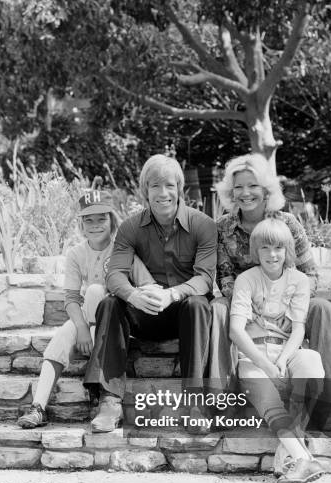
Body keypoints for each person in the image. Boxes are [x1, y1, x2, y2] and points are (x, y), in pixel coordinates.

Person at [209, 153, 331, 433]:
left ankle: (330, 403)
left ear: (266, 189)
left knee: (322, 307)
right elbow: (225, 277)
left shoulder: (288, 222)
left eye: (253, 185)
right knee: (218, 307)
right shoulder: (223, 227)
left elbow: (310, 274)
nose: (245, 193)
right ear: (230, 191)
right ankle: (224, 398)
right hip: (245, 303)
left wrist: (287, 306)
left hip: (288, 303)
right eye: (238, 187)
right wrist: (251, 307)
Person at [84, 154, 217, 433]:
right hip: (143, 312)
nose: (163, 193)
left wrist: (173, 295)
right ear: (145, 191)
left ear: (180, 188)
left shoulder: (202, 224)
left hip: (182, 314)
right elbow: (115, 274)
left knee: (198, 305)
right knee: (110, 304)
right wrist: (133, 295)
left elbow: (205, 278)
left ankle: (195, 403)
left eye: (169, 185)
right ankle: (109, 401)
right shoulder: (131, 227)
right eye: (155, 186)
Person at [18, 190, 154, 429]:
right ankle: (38, 408)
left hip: (112, 327)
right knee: (61, 338)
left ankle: (105, 397)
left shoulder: (123, 250)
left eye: (101, 219)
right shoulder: (76, 253)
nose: (94, 225)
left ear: (112, 220)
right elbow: (70, 297)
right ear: (80, 223)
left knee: (95, 291)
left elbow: (148, 285)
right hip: (87, 324)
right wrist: (81, 328)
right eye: (88, 220)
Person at [230, 216, 325, 483]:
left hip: (287, 348)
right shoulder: (246, 280)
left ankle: (290, 455)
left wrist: (282, 360)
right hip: (254, 351)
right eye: (264, 248)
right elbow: (236, 331)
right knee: (263, 389)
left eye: (278, 248)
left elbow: (298, 330)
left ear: (288, 250)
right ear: (255, 251)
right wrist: (266, 365)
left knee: (311, 362)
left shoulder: (300, 280)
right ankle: (302, 456)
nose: (272, 255)